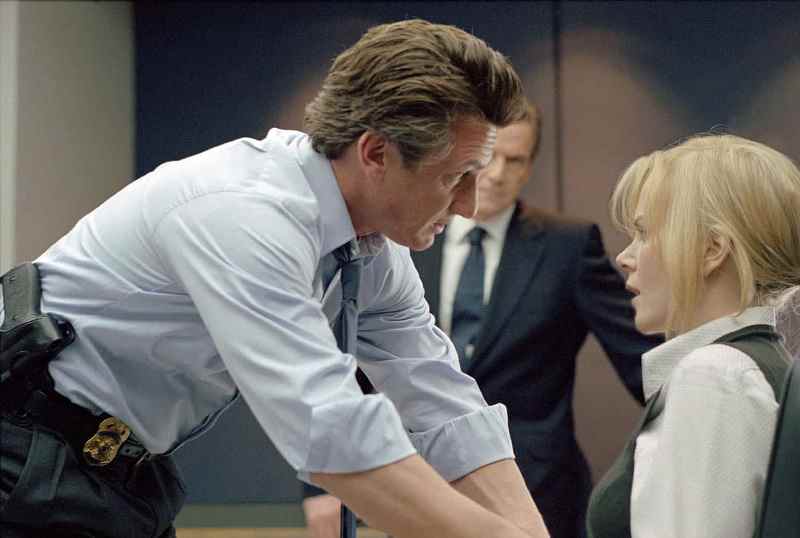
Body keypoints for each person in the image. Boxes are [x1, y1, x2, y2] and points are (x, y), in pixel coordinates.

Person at [0, 19, 550, 538]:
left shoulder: (371, 249)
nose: (469, 205)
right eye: (455, 177)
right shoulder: (243, 213)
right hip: (21, 452)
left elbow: (445, 405)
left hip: (114, 476)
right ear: (376, 152)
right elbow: (332, 431)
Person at [302, 99, 661, 538]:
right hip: (417, 488)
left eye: (515, 160)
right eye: (488, 158)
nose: (496, 174)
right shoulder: (403, 236)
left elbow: (641, 359)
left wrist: (701, 401)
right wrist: (320, 483)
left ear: (529, 168)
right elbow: (348, 362)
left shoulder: (568, 246)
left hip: (535, 490)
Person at [586, 134, 800, 538]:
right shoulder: (758, 365)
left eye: (644, 233)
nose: (625, 257)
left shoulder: (715, 375)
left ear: (712, 250)